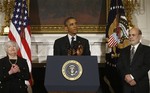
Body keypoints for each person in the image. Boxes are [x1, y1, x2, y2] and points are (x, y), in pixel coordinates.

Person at [117, 27, 150, 93]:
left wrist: (133, 77)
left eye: (133, 35)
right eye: (129, 35)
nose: (131, 37)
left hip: (140, 85)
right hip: (126, 86)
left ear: (140, 36)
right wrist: (126, 77)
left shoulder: (147, 50)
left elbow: (147, 66)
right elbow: (119, 66)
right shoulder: (123, 51)